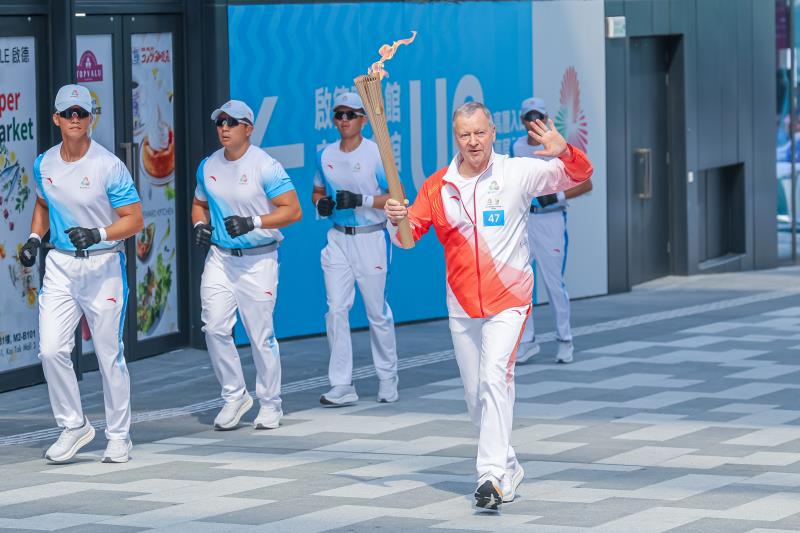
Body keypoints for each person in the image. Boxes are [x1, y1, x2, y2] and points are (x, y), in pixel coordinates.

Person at [384, 102, 592, 510]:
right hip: (462, 305)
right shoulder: (439, 186)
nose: (473, 142)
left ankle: (491, 475)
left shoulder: (517, 171)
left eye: (480, 133)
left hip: (509, 300)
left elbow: (581, 174)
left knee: (496, 376)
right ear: (455, 137)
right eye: (465, 135)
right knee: (475, 393)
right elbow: (408, 241)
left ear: (493, 132)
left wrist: (564, 149)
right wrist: (397, 220)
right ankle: (509, 464)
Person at [22, 84, 143, 463]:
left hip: (103, 264)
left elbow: (135, 220)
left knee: (108, 353)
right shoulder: (44, 163)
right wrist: (32, 237)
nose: (76, 119)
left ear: (91, 119)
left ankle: (119, 435)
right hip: (59, 264)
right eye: (68, 113)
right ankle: (74, 425)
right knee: (51, 349)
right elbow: (43, 204)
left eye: (82, 113)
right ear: (56, 119)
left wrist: (99, 233)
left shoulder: (108, 165)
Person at [192, 100, 301, 431]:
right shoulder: (207, 165)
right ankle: (234, 396)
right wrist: (200, 226)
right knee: (214, 327)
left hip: (259, 259)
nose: (224, 128)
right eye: (220, 122)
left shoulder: (265, 166)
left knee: (260, 335)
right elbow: (199, 204)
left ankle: (270, 403)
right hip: (221, 258)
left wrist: (253, 221)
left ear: (248, 128)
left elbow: (292, 210)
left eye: (232, 122)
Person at [312, 92, 399, 406]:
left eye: (350, 114)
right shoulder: (325, 154)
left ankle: (388, 377)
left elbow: (395, 197)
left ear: (363, 119)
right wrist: (321, 203)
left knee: (376, 312)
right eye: (339, 115)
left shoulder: (376, 154)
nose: (344, 120)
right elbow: (318, 190)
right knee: (336, 310)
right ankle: (342, 385)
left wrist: (361, 200)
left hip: (371, 237)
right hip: (337, 238)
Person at [511, 97, 593, 365]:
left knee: (553, 284)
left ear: (546, 119)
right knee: (521, 283)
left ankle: (565, 340)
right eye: (529, 117)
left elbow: (586, 183)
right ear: (522, 121)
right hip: (525, 222)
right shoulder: (517, 147)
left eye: (539, 117)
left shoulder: (559, 145)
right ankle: (527, 342)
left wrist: (555, 196)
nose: (534, 122)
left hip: (551, 221)